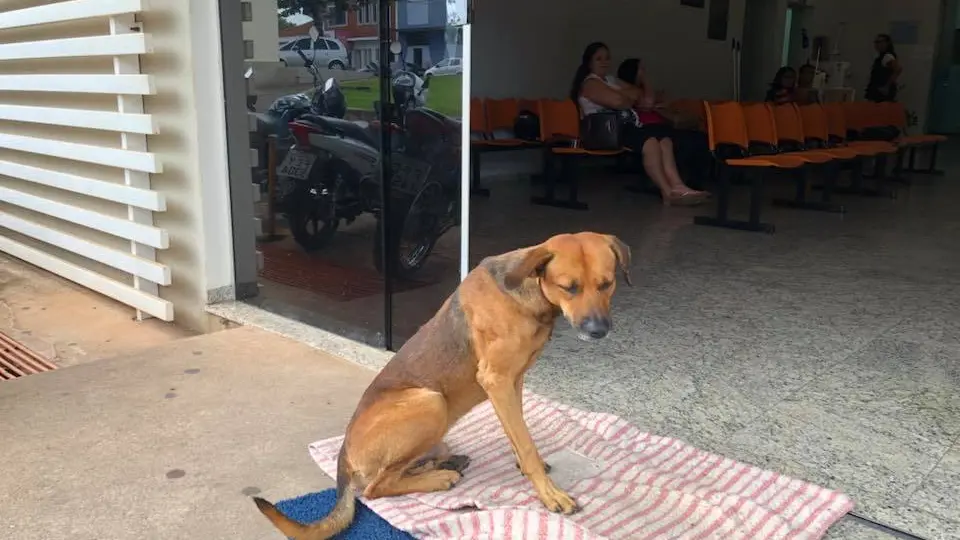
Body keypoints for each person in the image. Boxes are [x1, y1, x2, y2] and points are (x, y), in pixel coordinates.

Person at [572, 42, 707, 206]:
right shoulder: (590, 83)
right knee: (650, 142)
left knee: (664, 139)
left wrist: (625, 96)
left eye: (607, 58)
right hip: (607, 131)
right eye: (598, 58)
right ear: (589, 62)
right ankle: (667, 192)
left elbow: (642, 97)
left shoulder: (610, 80)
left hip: (627, 126)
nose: (604, 62)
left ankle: (678, 186)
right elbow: (618, 102)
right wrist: (626, 96)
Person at [616, 57, 712, 191]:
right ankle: (666, 182)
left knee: (700, 139)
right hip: (646, 129)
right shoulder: (630, 91)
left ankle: (693, 183)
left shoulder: (648, 93)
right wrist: (645, 80)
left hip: (664, 126)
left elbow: (659, 102)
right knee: (676, 142)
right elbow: (648, 102)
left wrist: (660, 106)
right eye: (641, 70)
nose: (645, 72)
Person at [865, 34, 901, 102]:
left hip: (881, 93)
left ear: (886, 43)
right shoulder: (880, 58)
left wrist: (886, 86)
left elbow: (898, 69)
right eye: (876, 42)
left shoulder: (887, 57)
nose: (877, 45)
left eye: (880, 42)